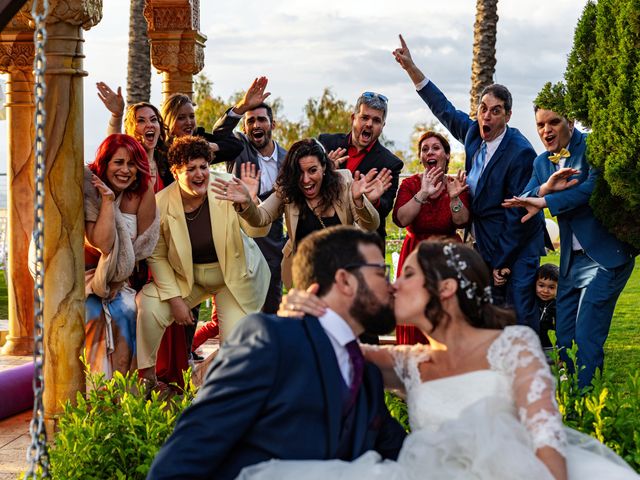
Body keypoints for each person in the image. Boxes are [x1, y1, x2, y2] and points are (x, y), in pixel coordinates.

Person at [257, 241, 639, 480]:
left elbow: (546, 439)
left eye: (406, 274)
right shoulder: (409, 362)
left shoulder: (514, 345)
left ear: (445, 288)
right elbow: (335, 349)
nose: (392, 285)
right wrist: (299, 315)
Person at [146, 226, 407, 480]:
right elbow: (187, 454)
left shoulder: (368, 376)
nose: (392, 286)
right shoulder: (271, 340)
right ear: (345, 280)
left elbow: (405, 458)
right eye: (382, 273)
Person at [392, 34, 546, 332]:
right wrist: (412, 68)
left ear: (508, 115)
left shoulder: (520, 152)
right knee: (490, 316)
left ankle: (532, 373)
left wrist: (503, 261)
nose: (486, 116)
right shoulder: (475, 133)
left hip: (517, 243)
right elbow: (443, 108)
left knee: (518, 314)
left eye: (495, 110)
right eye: (482, 109)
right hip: (486, 241)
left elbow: (518, 214)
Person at [502, 83, 637, 387]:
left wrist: (546, 202)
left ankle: (589, 403)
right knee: (564, 334)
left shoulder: (593, 147)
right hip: (569, 262)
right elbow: (525, 198)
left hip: (606, 257)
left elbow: (590, 190)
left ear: (570, 121)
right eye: (540, 124)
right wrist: (545, 189)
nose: (546, 130)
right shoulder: (540, 162)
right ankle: (571, 397)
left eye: (554, 122)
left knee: (587, 333)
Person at [135, 135, 270, 387]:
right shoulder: (161, 203)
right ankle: (148, 378)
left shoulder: (228, 184)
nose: (200, 174)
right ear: (175, 172)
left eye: (204, 167)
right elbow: (156, 253)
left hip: (233, 277)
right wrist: (175, 300)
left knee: (236, 352)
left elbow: (257, 230)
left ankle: (207, 386)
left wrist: (247, 204)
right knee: (149, 304)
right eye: (191, 169)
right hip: (189, 277)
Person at [211, 138, 388, 289]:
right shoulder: (287, 190)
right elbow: (261, 217)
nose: (305, 180)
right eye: (299, 172)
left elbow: (370, 225)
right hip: (306, 276)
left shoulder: (344, 182)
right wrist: (247, 203)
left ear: (324, 167)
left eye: (312, 170)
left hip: (344, 271)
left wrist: (359, 201)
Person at [84, 133, 158, 378]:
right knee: (92, 314)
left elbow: (144, 244)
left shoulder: (143, 190)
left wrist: (118, 275)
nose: (125, 170)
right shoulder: (91, 189)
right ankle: (96, 393)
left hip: (119, 278)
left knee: (127, 310)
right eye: (118, 162)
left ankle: (124, 395)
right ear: (105, 163)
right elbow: (103, 244)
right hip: (86, 277)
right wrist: (107, 202)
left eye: (131, 163)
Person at [211, 76, 287, 314]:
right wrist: (240, 107)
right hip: (239, 242)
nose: (256, 125)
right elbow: (219, 132)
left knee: (269, 313)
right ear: (244, 127)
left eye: (262, 120)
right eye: (250, 121)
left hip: (273, 245)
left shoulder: (288, 159)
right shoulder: (238, 147)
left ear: (272, 125)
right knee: (237, 315)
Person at [393, 130, 471, 344]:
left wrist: (454, 196)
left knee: (445, 316)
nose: (430, 152)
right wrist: (423, 193)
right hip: (415, 254)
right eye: (425, 149)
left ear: (446, 155)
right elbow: (401, 219)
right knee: (416, 315)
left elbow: (462, 221)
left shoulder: (456, 183)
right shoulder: (410, 185)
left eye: (436, 148)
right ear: (420, 158)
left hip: (447, 257)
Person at [318, 91, 404, 242]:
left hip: (364, 244)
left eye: (376, 120)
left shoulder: (390, 163)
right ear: (353, 118)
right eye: (365, 117)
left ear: (382, 126)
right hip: (325, 238)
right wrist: (324, 171)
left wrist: (372, 201)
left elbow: (385, 207)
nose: (369, 124)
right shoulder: (326, 143)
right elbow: (305, 184)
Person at [535, 263, 559, 352]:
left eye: (551, 287)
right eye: (541, 286)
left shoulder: (557, 305)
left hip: (552, 347)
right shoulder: (532, 302)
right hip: (535, 346)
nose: (545, 291)